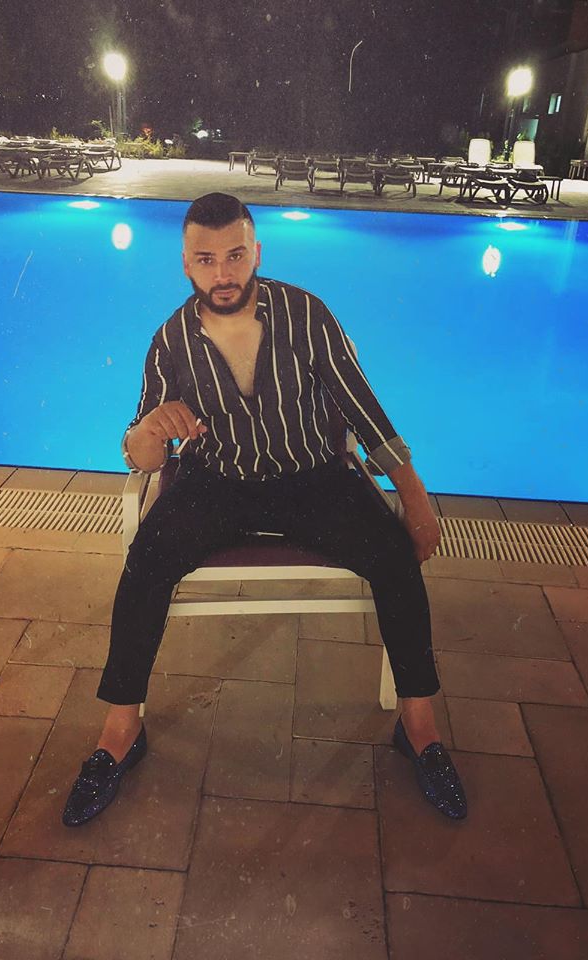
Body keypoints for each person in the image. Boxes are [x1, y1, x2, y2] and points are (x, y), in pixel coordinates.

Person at [62, 192, 467, 826]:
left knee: (394, 558)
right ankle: (120, 731)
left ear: (256, 252)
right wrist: (150, 430)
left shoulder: (306, 314)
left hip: (313, 478)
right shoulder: (171, 340)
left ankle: (418, 726)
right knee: (145, 564)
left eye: (235, 256)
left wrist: (414, 496)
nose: (223, 274)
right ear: (186, 264)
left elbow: (364, 410)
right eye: (206, 260)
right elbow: (141, 455)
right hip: (217, 481)